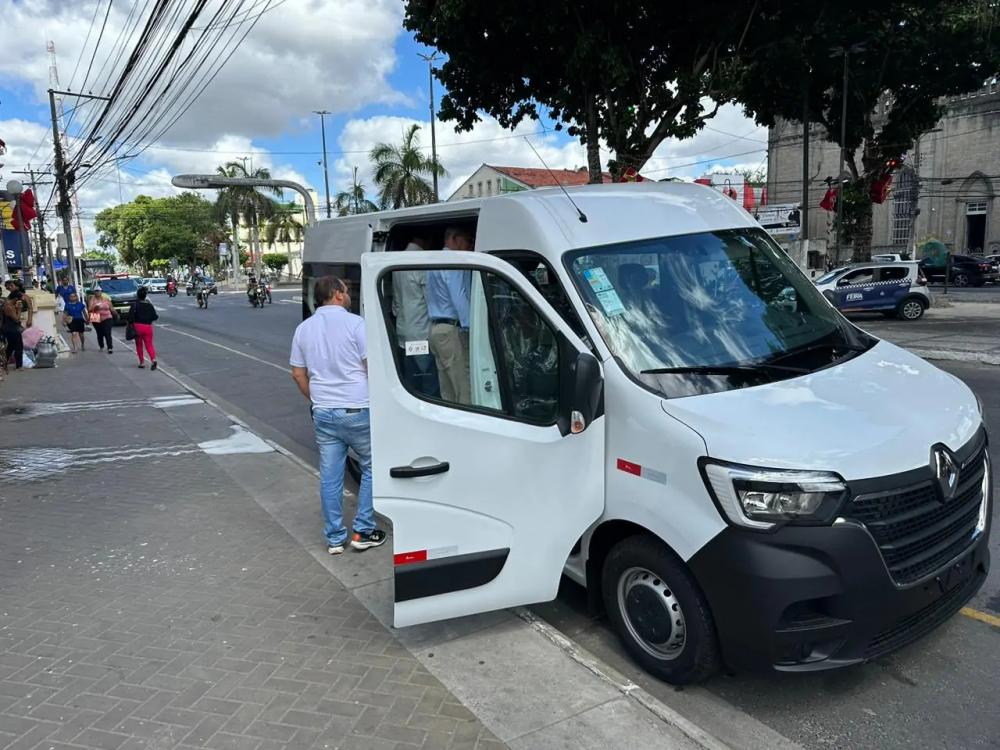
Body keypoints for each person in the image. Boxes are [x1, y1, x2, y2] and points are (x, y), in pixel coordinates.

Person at [290, 275, 385, 555]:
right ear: (337, 294)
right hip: (357, 409)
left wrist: (317, 399)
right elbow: (372, 367)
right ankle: (364, 530)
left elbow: (297, 373)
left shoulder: (303, 329)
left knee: (330, 476)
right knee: (373, 465)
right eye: (346, 289)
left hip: (323, 413)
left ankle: (334, 538)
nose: (349, 294)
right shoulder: (356, 324)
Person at [425, 226, 474, 403]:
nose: (469, 245)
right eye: (467, 240)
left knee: (447, 390)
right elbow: (458, 295)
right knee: (464, 388)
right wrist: (471, 327)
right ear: (454, 238)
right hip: (452, 329)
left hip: (436, 329)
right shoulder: (454, 260)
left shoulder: (433, 261)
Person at [391, 234, 440, 397]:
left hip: (404, 332)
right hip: (421, 333)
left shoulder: (398, 261)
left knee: (412, 384)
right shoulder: (421, 262)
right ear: (426, 240)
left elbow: (396, 303)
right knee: (429, 384)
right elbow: (431, 301)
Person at [128, 286, 159, 369]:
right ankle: (153, 359)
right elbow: (155, 317)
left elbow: (130, 317)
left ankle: (142, 362)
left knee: (139, 345)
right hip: (148, 327)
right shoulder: (149, 305)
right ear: (145, 296)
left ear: (137, 296)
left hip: (137, 327)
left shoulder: (134, 305)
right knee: (149, 345)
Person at [88, 285, 116, 354]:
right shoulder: (92, 299)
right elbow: (89, 309)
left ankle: (110, 347)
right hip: (95, 316)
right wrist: (95, 308)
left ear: (101, 292)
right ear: (94, 292)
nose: (97, 292)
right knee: (99, 333)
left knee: (107, 333)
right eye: (96, 291)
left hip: (107, 317)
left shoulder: (106, 299)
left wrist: (116, 314)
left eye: (99, 291)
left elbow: (111, 308)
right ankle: (101, 345)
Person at [1, 294, 23, 370]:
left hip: (6, 328)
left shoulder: (5, 305)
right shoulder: (10, 307)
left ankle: (3, 363)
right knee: (19, 346)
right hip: (13, 329)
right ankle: (19, 366)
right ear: (16, 299)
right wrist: (19, 310)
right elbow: (17, 319)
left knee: (10, 346)